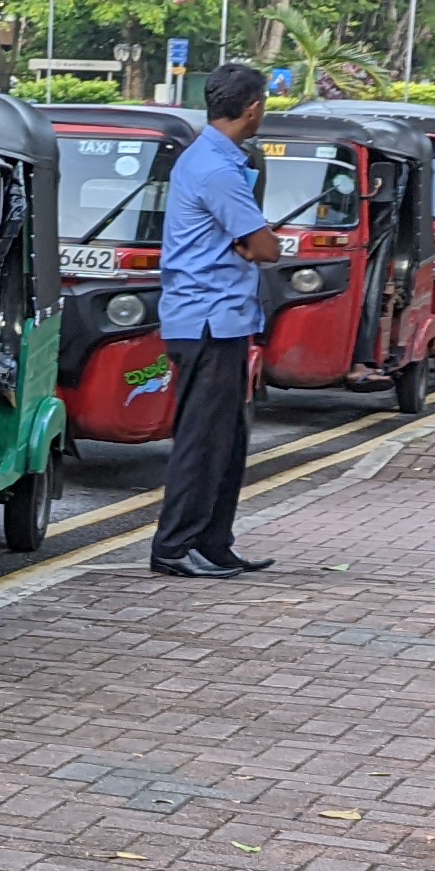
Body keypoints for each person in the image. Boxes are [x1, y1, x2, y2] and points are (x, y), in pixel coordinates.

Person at [151, 65, 286, 577]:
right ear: (252, 108)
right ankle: (175, 547)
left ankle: (212, 542)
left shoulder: (215, 158)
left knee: (228, 442)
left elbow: (252, 244)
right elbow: (265, 246)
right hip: (207, 321)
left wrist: (250, 243)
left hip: (221, 320)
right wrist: (255, 243)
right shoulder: (217, 169)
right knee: (202, 440)